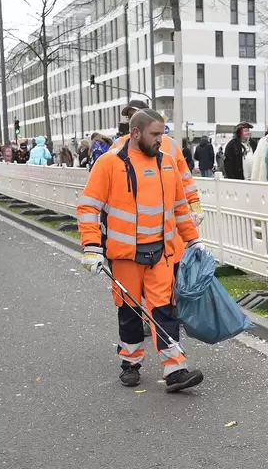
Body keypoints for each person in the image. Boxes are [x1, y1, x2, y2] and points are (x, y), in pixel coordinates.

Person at [77, 108, 205, 392]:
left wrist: (193, 240)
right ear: (136, 133)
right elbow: (88, 207)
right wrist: (92, 247)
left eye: (163, 133)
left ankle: (175, 369)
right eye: (155, 134)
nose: (162, 139)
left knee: (164, 311)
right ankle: (130, 362)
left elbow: (180, 209)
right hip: (125, 256)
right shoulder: (109, 163)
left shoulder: (168, 163)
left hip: (161, 253)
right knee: (130, 311)